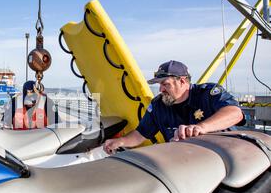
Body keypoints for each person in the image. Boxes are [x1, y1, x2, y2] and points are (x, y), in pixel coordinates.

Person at [103, 60, 245, 154]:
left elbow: (235, 113)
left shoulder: (207, 93)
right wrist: (119, 141)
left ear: (182, 81)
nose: (161, 90)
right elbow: (141, 134)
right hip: (187, 165)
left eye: (165, 84)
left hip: (226, 157)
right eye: (160, 85)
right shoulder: (158, 105)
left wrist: (200, 128)